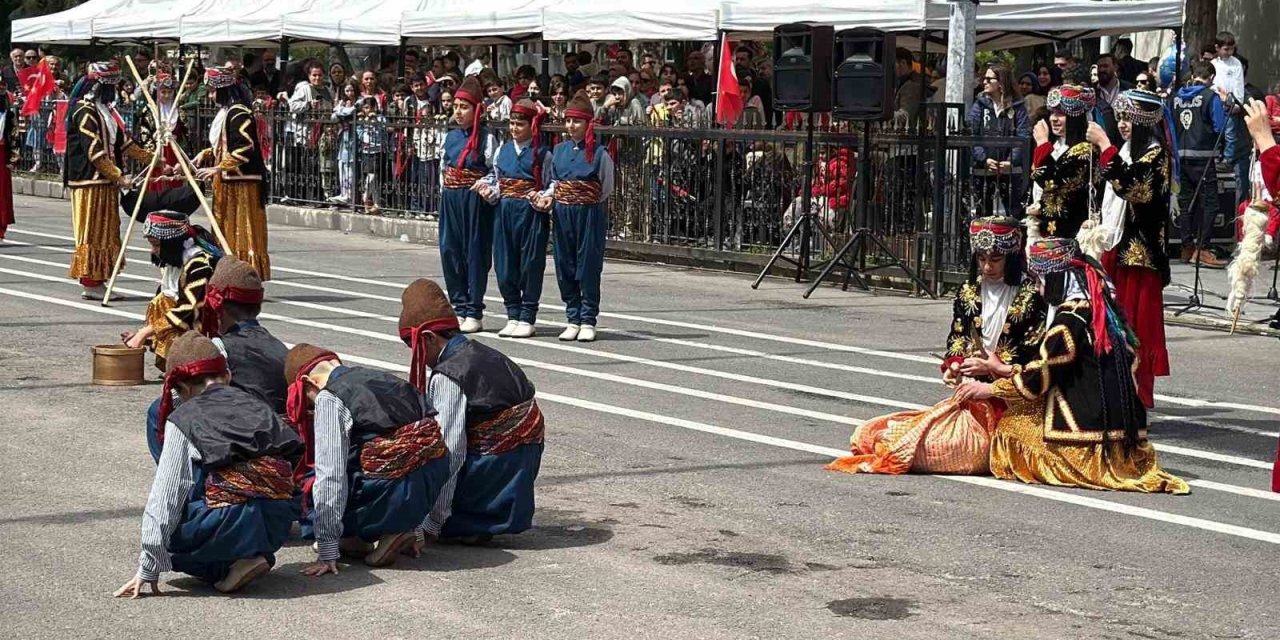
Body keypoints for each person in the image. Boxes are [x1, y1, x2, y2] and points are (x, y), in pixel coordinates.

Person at [954, 238, 1189, 495]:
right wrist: (1005, 369)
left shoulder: (1068, 321)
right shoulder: (1103, 310)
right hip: (1124, 434)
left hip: (1090, 435)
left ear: (1055, 280)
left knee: (1010, 428)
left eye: (1040, 279)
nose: (1038, 287)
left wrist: (989, 389)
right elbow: (1063, 368)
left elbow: (1040, 378)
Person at [827, 217, 1046, 475]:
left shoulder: (1032, 295)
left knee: (945, 449)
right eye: (982, 259)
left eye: (995, 260)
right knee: (875, 433)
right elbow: (957, 337)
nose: (987, 267)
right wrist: (954, 365)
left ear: (1010, 257)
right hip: (970, 398)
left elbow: (1037, 357)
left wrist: (994, 371)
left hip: (1014, 401)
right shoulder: (968, 292)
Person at [113, 331, 301, 598]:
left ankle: (230, 564)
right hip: (278, 518)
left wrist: (148, 565)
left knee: (170, 539)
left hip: (230, 520)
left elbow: (167, 494)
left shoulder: (185, 417)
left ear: (183, 388)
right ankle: (253, 552)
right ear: (227, 375)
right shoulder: (258, 405)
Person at [284, 343, 453, 573]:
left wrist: (326, 550)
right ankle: (392, 530)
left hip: (392, 488)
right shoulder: (386, 378)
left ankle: (390, 530)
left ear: (308, 383)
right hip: (432, 477)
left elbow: (330, 475)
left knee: (317, 481)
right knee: (409, 456)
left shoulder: (330, 397)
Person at [398, 278, 543, 544]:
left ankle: (469, 518)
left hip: (495, 467)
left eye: (413, 347)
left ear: (428, 339)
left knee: (422, 455)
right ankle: (483, 518)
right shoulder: (485, 353)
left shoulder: (450, 374)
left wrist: (433, 520)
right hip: (519, 463)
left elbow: (450, 451)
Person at [1089, 90, 1172, 409]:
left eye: (1129, 119)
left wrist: (1105, 147)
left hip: (1140, 258)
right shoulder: (1126, 150)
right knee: (1109, 325)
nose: (1123, 124)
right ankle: (1110, 392)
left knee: (1134, 330)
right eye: (1120, 118)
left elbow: (1132, 188)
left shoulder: (1155, 156)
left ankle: (1135, 397)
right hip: (1115, 247)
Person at [64, 61, 155, 300]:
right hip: (89, 183)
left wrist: (153, 159)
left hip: (105, 183)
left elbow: (124, 143)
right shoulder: (85, 111)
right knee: (92, 232)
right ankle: (90, 282)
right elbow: (93, 150)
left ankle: (99, 279)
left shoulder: (104, 110)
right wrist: (118, 175)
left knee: (107, 232)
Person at [533, 91, 615, 343]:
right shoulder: (558, 150)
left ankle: (588, 318)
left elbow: (606, 187)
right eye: (568, 121)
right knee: (564, 265)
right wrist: (550, 197)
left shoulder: (600, 153)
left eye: (577, 121)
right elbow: (555, 182)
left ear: (588, 123)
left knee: (588, 265)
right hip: (562, 213)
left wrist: (583, 200)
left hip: (589, 213)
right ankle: (572, 317)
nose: (571, 126)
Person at [482, 99, 552, 338]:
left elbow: (551, 183)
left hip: (529, 213)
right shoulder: (502, 151)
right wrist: (489, 191)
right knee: (504, 263)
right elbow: (497, 179)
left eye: (520, 124)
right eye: (511, 123)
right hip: (505, 211)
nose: (514, 128)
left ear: (531, 125)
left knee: (530, 264)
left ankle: (527, 315)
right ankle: (512, 312)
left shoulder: (542, 154)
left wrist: (543, 196)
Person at [193, 66, 271, 280]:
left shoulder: (239, 112)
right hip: (226, 181)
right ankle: (227, 273)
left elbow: (244, 148)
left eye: (212, 91)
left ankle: (243, 275)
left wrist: (218, 167)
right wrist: (206, 154)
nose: (210, 95)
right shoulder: (226, 112)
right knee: (225, 228)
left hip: (241, 182)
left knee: (241, 230)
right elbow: (224, 144)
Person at [123, 210, 221, 371]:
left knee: (167, 301)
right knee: (161, 298)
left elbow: (188, 309)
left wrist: (145, 333)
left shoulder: (199, 263)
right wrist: (145, 336)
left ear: (172, 243)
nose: (153, 251)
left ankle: (190, 359)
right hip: (187, 323)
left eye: (156, 245)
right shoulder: (177, 263)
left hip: (205, 327)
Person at [438, 76, 499, 333]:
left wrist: (484, 185)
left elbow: (495, 171)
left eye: (464, 107)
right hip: (451, 198)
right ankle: (459, 306)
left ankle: (474, 309)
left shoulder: (487, 138)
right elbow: (443, 167)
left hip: (474, 201)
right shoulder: (450, 137)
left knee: (474, 252)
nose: (458, 112)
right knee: (450, 250)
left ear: (476, 110)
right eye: (456, 107)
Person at [1172, 61, 1229, 268]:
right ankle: (1203, 249)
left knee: (1186, 204)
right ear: (1211, 78)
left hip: (1180, 157)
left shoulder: (1176, 96)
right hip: (1204, 157)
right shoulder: (1210, 96)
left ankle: (1187, 247)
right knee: (1210, 204)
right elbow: (1219, 126)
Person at [1027, 84, 1099, 241]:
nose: (1053, 118)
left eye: (1060, 114)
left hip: (1071, 230)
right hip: (1046, 225)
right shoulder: (1056, 145)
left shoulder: (1085, 150)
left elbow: (1053, 183)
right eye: (1052, 112)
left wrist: (1042, 145)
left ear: (1074, 117)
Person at [969, 64, 1030, 218]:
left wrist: (1011, 161)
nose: (985, 82)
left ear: (1001, 82)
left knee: (1014, 213)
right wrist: (984, 159)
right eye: (984, 78)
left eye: (989, 79)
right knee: (983, 214)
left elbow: (1022, 136)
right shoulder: (979, 105)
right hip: (984, 168)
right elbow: (972, 134)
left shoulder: (1017, 106)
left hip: (1010, 170)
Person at [1211, 31, 1251, 206]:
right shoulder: (1213, 64)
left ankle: (1227, 158)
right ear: (1217, 48)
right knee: (1217, 130)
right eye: (1225, 49)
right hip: (1217, 101)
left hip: (1231, 102)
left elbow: (1238, 85)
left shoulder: (1236, 64)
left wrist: (1236, 103)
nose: (1228, 52)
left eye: (1231, 49)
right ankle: (1217, 154)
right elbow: (1212, 83)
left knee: (1230, 131)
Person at [134, 70, 187, 194]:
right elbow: (144, 140)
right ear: (156, 92)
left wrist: (182, 163)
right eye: (163, 92)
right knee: (156, 191)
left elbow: (187, 139)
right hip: (157, 157)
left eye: (170, 92)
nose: (167, 95)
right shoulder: (148, 112)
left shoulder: (179, 112)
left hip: (175, 157)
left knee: (175, 192)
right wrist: (159, 162)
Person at [0, 80, 15, 240]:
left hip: (2, 154)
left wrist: (13, 157)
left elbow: (14, 136)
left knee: (2, 193)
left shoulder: (9, 114)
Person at [894, 47, 924, 123]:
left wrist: (884, 115)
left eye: (893, 64)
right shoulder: (903, 82)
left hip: (908, 132)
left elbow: (905, 115)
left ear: (903, 63)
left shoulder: (912, 85)